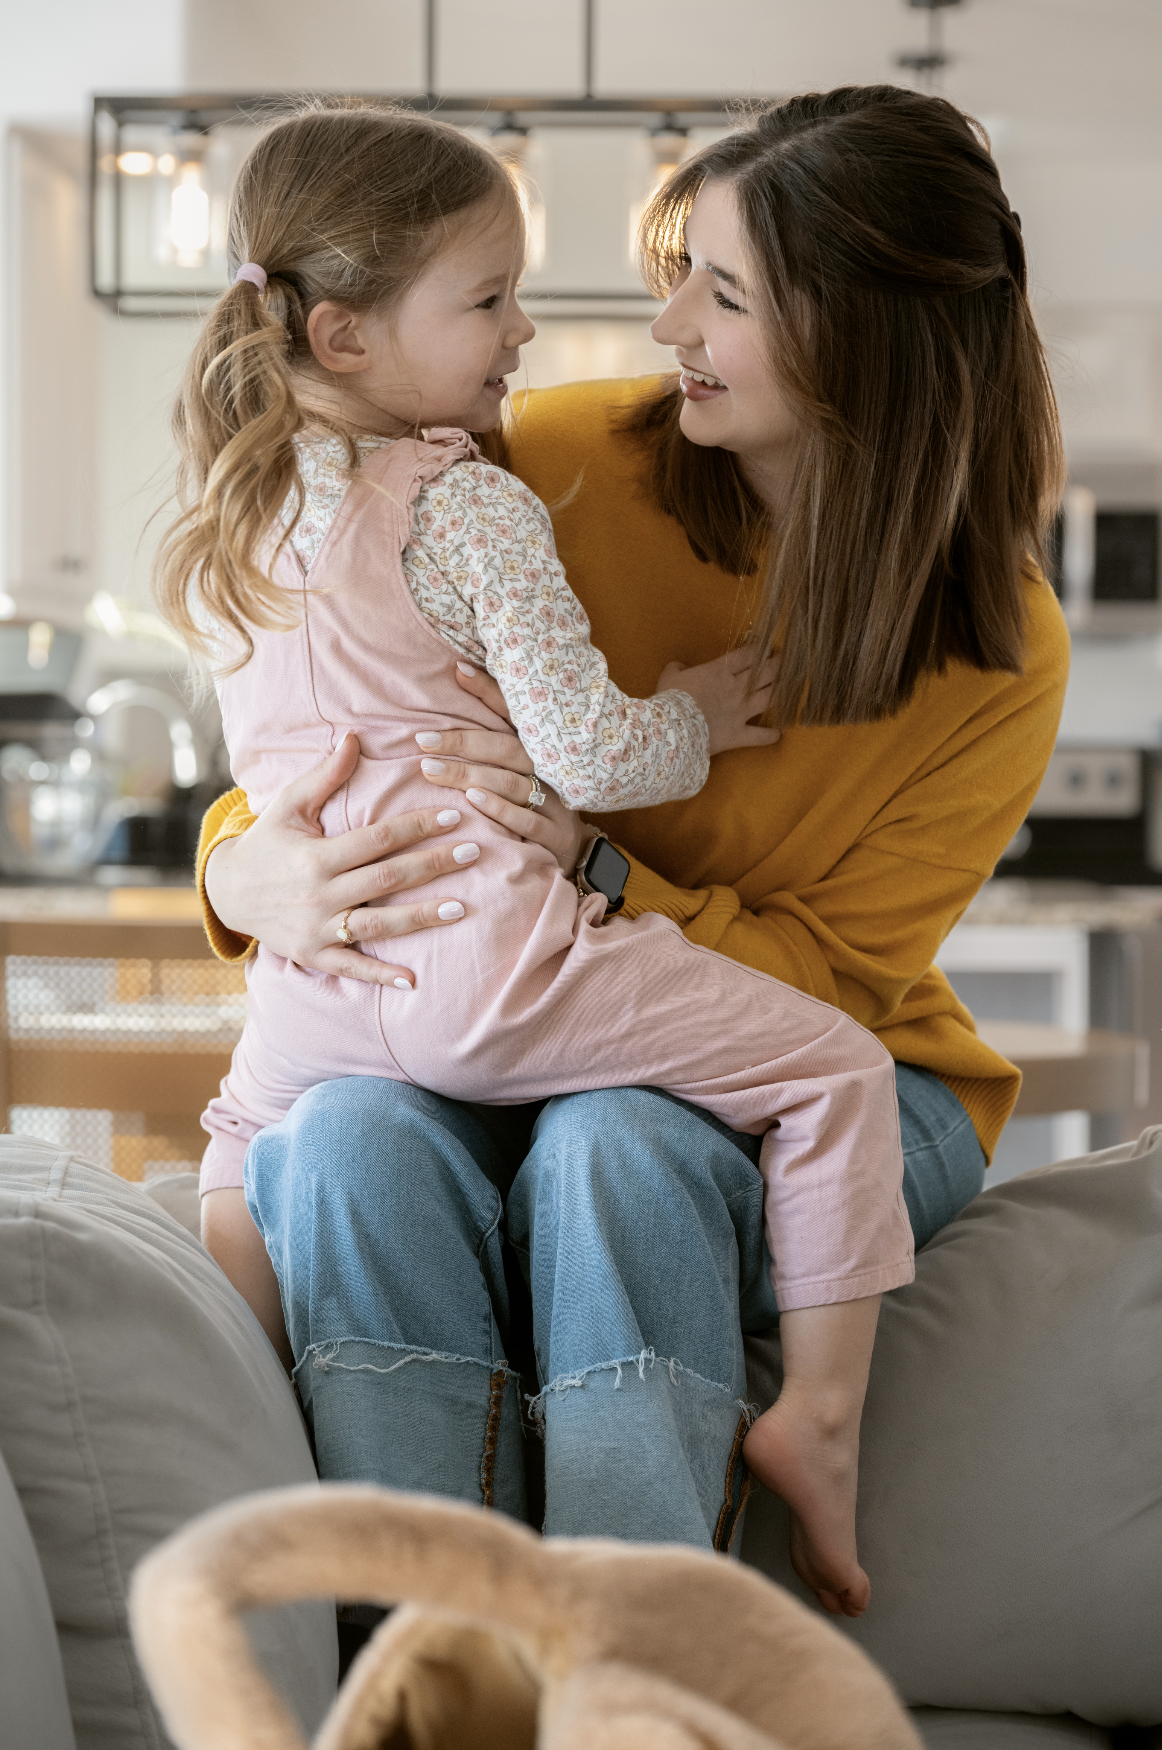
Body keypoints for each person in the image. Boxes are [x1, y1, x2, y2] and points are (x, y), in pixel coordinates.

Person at [192, 88, 1068, 1614]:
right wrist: (238, 874)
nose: (664, 324)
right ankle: (429, 1652)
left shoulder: (997, 646)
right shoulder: (545, 456)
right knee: (343, 1143)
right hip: (530, 1004)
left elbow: (833, 977)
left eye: (719, 293)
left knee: (621, 1145)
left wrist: (597, 870)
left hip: (838, 1058)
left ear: (862, 339)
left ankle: (629, 1652)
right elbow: (347, 707)